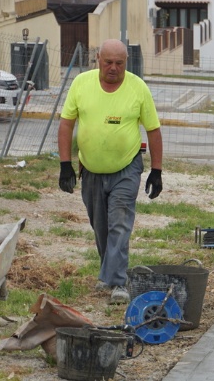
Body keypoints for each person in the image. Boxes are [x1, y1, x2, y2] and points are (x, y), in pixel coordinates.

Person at [57, 39, 164, 304]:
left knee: (119, 222)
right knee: (100, 226)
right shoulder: (81, 84)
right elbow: (66, 124)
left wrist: (157, 170)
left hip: (127, 168)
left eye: (120, 63)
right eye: (108, 63)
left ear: (126, 62)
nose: (114, 68)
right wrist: (64, 164)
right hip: (91, 169)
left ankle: (118, 283)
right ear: (98, 59)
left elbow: (153, 130)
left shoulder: (138, 88)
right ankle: (109, 274)